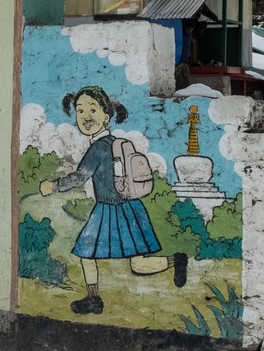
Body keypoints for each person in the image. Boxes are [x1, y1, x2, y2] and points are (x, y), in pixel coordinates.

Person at [39, 85, 186, 315]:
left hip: (110, 210)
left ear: (106, 116)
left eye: (92, 110)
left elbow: (80, 176)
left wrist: (53, 186)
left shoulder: (99, 147)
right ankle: (175, 261)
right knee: (132, 263)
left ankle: (94, 297)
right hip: (131, 208)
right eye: (80, 110)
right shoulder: (113, 143)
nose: (86, 116)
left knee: (87, 253)